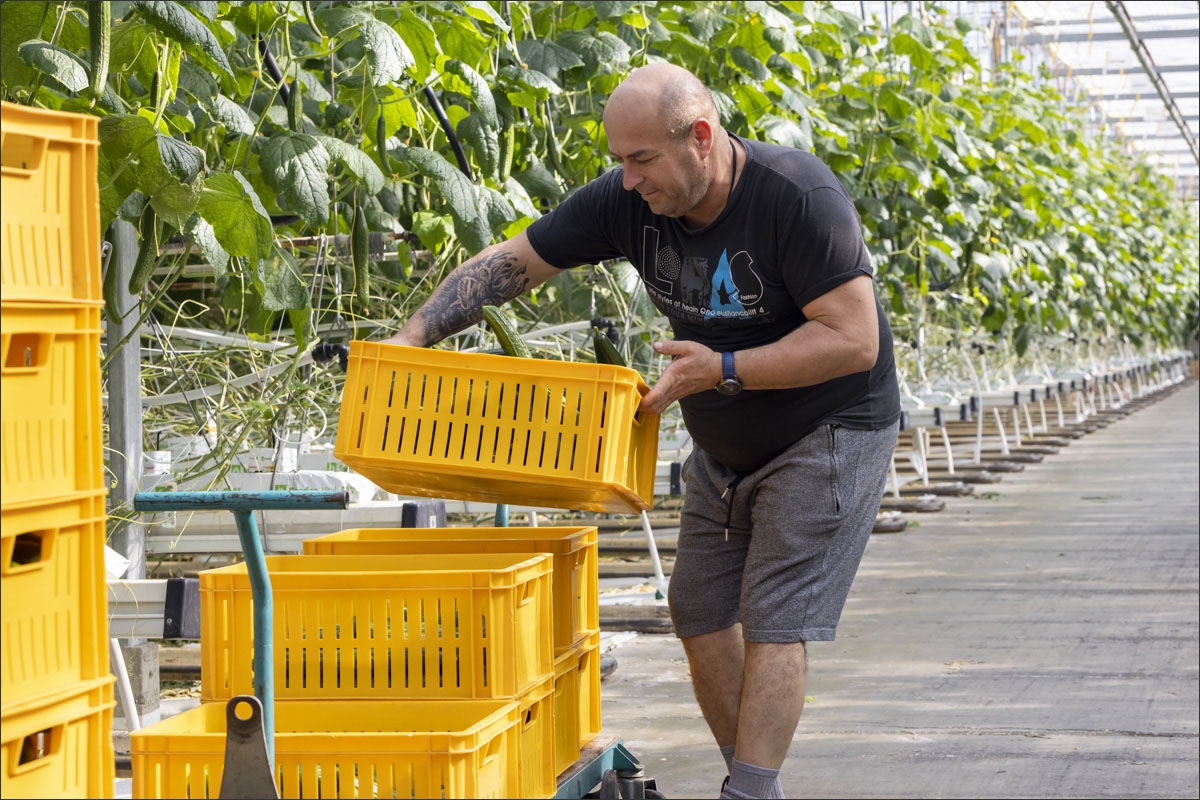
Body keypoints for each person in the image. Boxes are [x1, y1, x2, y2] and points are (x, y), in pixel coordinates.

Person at [382, 62, 901, 799]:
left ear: (700, 137)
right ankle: (752, 786)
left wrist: (722, 367)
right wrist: (412, 340)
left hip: (828, 426)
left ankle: (749, 791)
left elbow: (854, 340)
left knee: (775, 618)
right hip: (723, 438)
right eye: (618, 161)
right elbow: (513, 263)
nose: (628, 180)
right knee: (696, 609)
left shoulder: (798, 198)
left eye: (642, 159)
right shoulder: (628, 203)